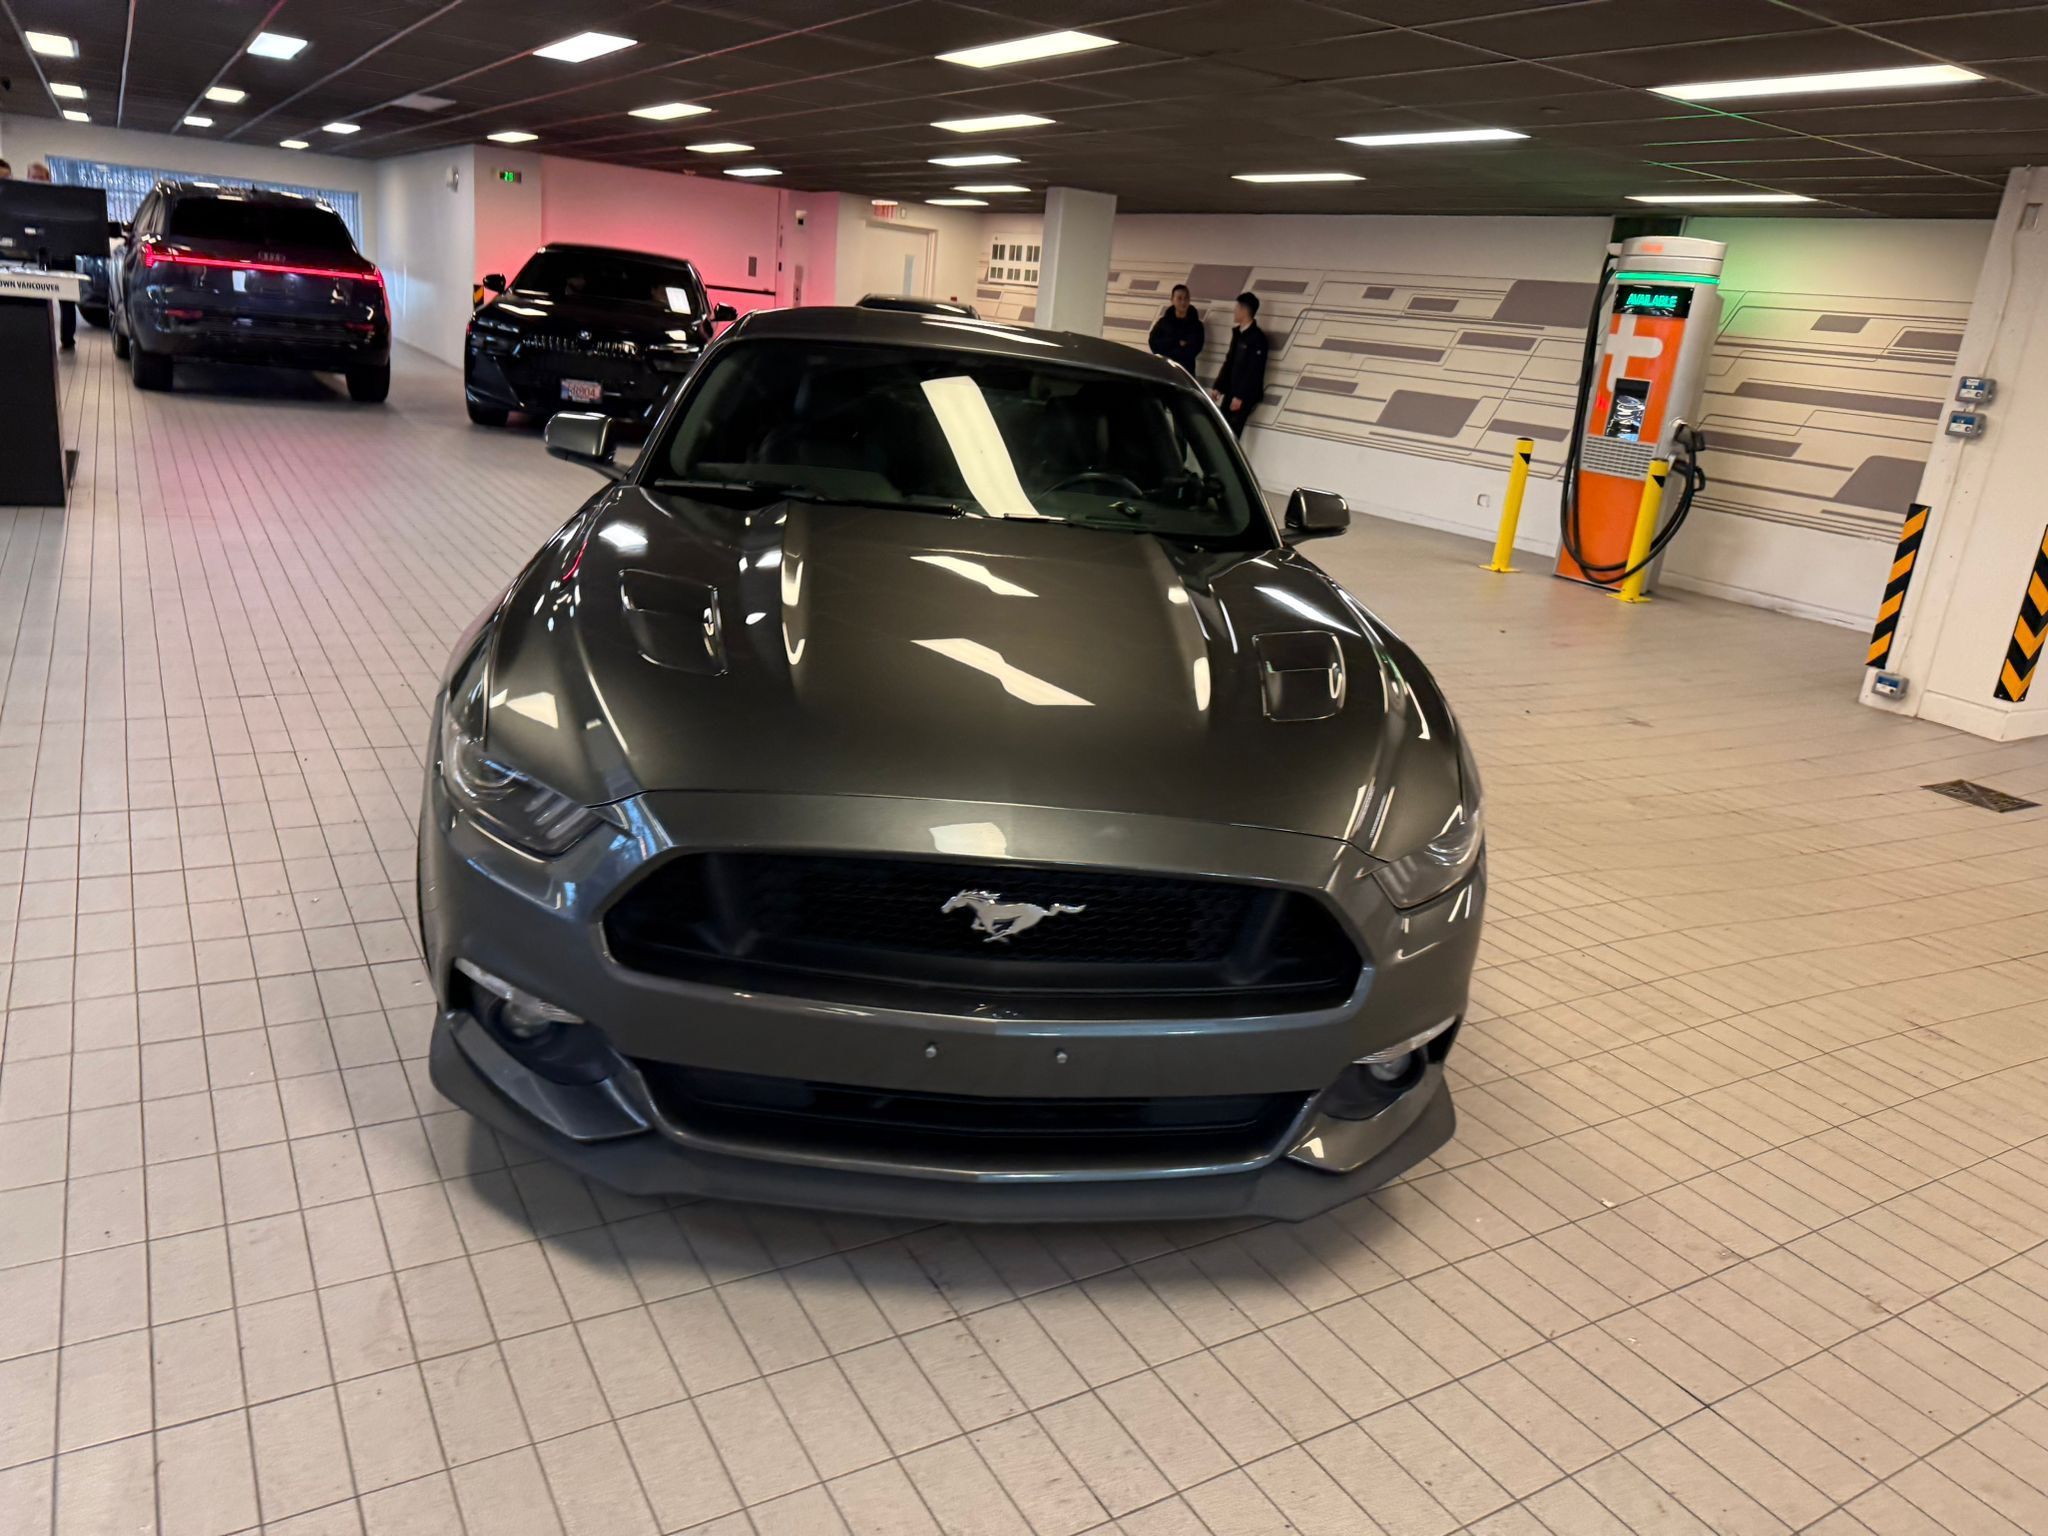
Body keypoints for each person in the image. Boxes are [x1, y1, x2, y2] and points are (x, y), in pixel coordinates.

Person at [25, 162, 76, 350]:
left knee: (67, 298)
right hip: (36, 255)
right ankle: (38, 337)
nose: (37, 181)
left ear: (49, 179)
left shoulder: (59, 201)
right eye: (34, 177)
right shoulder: (23, 201)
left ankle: (67, 339)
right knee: (37, 296)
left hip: (62, 253)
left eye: (41, 178)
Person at [1210, 290, 1267, 439]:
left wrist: (1240, 396)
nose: (1234, 311)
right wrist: (1219, 386)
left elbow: (1254, 371)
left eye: (1237, 308)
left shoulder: (1257, 338)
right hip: (1231, 391)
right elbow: (1230, 362)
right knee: (1221, 432)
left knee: (1232, 436)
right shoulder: (1238, 334)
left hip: (1243, 396)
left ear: (1244, 310)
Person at [1148, 283, 1204, 372]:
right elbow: (1154, 343)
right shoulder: (1163, 322)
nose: (1183, 302)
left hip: (1185, 371)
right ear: (1172, 300)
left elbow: (1193, 350)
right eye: (1179, 298)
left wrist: (1168, 346)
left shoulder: (1196, 325)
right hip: (1163, 368)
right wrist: (1177, 343)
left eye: (1186, 298)